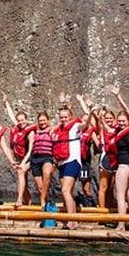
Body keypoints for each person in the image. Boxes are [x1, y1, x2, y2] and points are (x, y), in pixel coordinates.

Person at [51, 95, 92, 229]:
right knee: (67, 193)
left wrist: (90, 113)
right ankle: (72, 219)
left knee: (65, 191)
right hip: (62, 163)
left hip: (73, 161)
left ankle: (70, 221)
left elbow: (85, 125)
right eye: (61, 117)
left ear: (70, 116)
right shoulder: (60, 129)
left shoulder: (75, 127)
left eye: (65, 117)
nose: (63, 119)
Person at [3, 93, 35, 207]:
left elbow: (31, 150)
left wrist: (22, 162)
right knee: (23, 180)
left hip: (30, 157)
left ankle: (19, 200)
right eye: (19, 120)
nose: (21, 122)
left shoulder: (30, 132)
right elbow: (12, 116)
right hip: (20, 157)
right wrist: (6, 103)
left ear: (26, 120)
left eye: (23, 120)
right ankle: (29, 203)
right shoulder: (17, 128)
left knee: (21, 171)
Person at [20, 111, 55, 207]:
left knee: (47, 175)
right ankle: (46, 206)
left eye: (44, 120)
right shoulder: (34, 130)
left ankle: (43, 200)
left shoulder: (52, 130)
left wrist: (55, 162)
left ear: (48, 121)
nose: (42, 122)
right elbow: (19, 123)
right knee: (40, 187)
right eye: (40, 121)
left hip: (47, 157)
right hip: (35, 159)